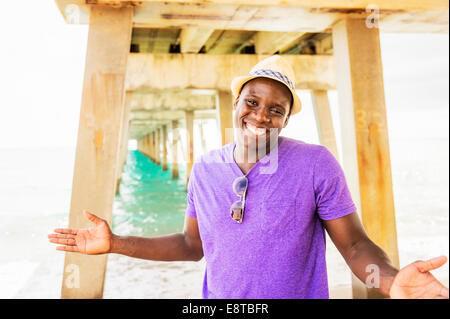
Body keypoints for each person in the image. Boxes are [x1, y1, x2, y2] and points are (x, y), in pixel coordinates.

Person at [48, 55, 448, 299]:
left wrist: (391, 281)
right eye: (252, 102)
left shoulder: (315, 164)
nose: (261, 116)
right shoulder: (204, 169)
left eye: (276, 110)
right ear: (235, 104)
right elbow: (191, 245)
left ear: (287, 119)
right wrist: (116, 242)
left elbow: (356, 245)